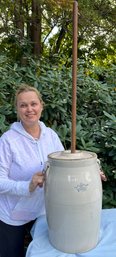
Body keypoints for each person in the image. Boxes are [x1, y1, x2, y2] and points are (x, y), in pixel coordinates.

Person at [0, 84, 64, 257]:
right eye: (23, 105)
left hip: (42, 211)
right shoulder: (7, 141)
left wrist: (87, 174)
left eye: (33, 104)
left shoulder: (51, 135)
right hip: (12, 214)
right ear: (17, 110)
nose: (29, 109)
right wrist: (27, 185)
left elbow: (65, 165)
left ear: (41, 106)